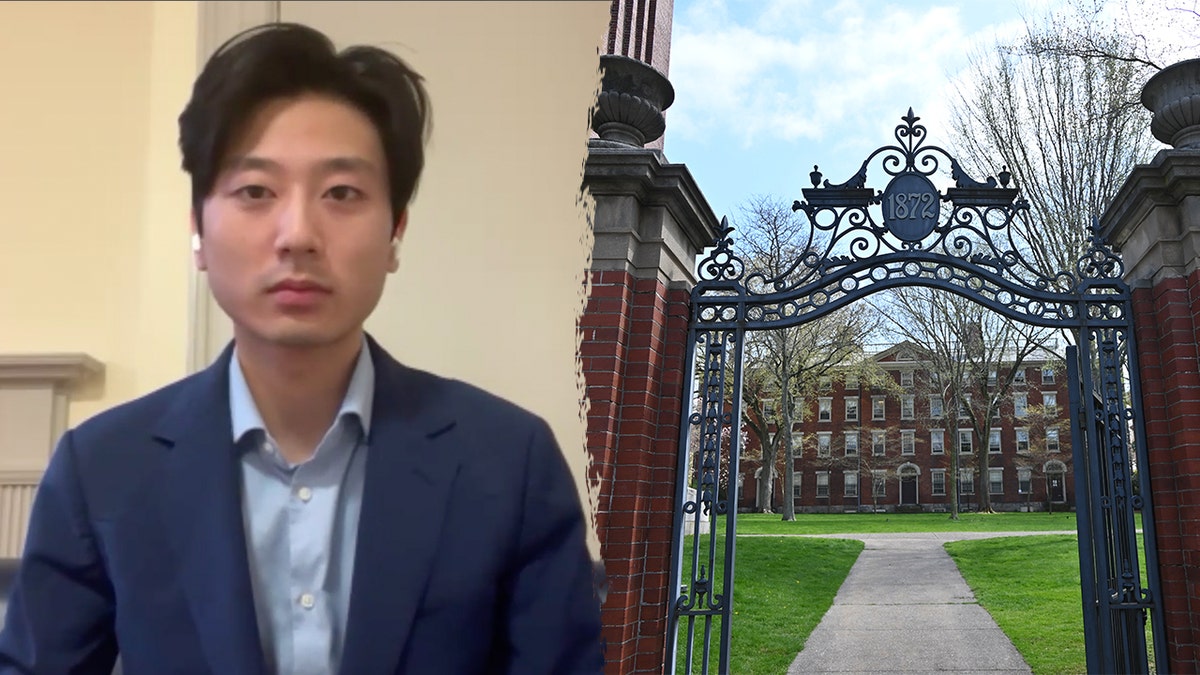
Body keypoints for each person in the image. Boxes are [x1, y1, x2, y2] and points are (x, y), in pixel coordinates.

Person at [0, 22, 604, 675]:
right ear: (197, 227)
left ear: (395, 230)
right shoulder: (102, 468)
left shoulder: (509, 464)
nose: (297, 234)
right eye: (255, 191)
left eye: (342, 193)